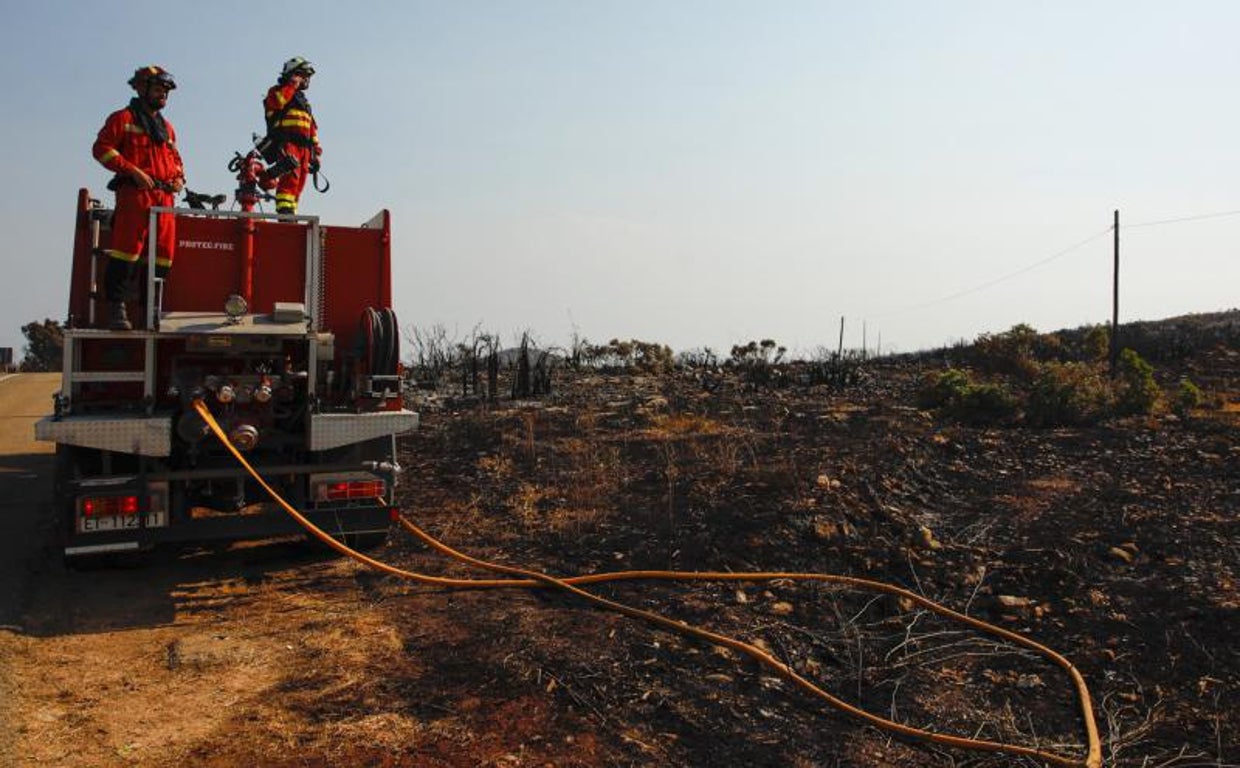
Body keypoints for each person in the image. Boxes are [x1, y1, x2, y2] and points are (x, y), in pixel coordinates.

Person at [92, 65, 186, 330]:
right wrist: (132, 171)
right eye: (158, 89)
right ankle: (117, 309)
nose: (163, 95)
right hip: (136, 194)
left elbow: (176, 160)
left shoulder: (167, 128)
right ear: (141, 88)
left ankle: (151, 311)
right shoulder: (122, 118)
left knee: (163, 255)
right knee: (126, 250)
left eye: (166, 91)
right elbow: (101, 149)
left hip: (165, 198)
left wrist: (180, 179)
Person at [263, 57, 321, 215]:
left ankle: (292, 213)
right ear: (293, 74)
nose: (306, 80)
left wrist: (316, 153)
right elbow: (277, 103)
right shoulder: (277, 91)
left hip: (305, 149)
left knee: (299, 183)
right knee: (290, 178)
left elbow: (311, 128)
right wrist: (291, 85)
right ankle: (285, 212)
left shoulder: (303, 102)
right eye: (304, 75)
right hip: (288, 143)